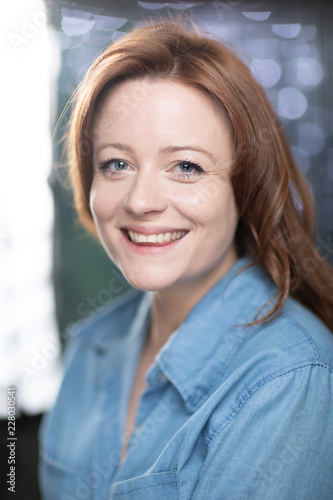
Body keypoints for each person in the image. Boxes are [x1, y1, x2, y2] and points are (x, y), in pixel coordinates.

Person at [39, 18, 333, 499]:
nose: (140, 201)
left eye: (186, 166)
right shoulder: (90, 348)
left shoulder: (290, 377)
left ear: (246, 187)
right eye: (117, 163)